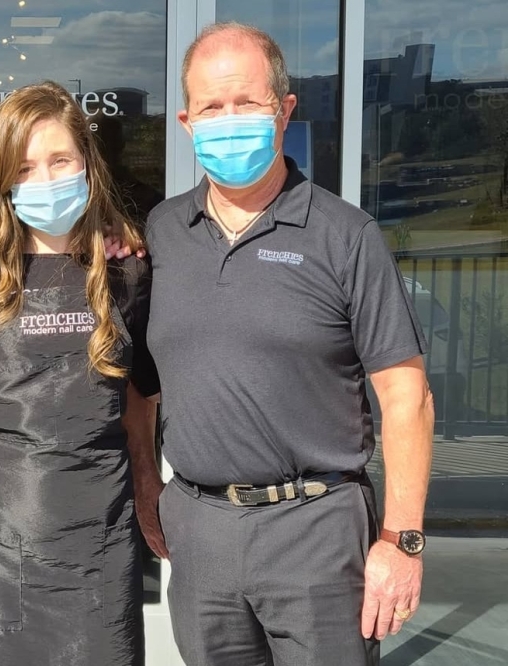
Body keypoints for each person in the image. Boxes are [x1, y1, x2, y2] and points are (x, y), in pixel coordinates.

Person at [145, 23, 435, 665]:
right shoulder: (162, 233)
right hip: (201, 530)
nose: (228, 120)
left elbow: (406, 397)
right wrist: (146, 488)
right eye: (211, 108)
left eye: (246, 102)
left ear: (284, 109)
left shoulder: (345, 235)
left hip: (318, 530)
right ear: (187, 122)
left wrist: (402, 540)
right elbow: (141, 384)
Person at [0, 81, 165, 666]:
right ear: (4, 181)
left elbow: (143, 395)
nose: (45, 180)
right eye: (25, 167)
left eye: (60, 160)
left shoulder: (129, 272)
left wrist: (148, 486)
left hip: (99, 534)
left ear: (87, 163)